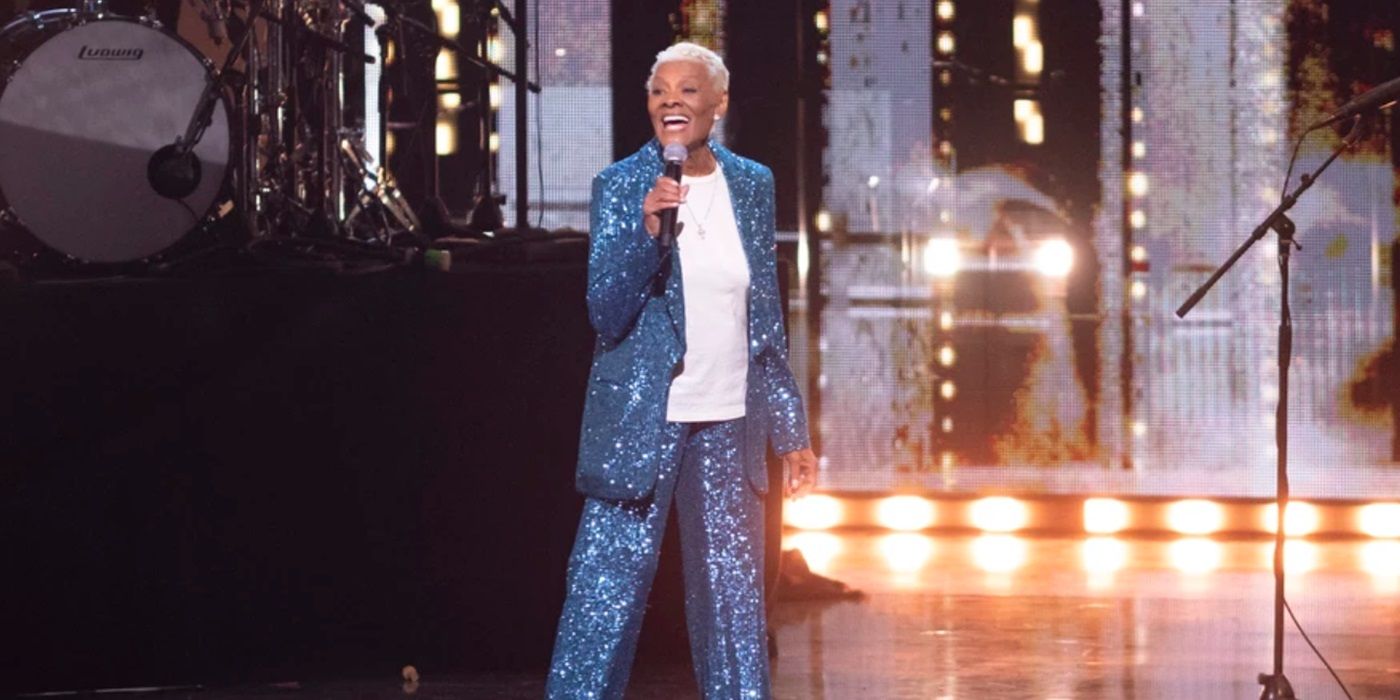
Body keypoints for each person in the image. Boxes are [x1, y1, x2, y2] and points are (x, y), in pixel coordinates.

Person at [546, 42, 818, 699]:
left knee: (734, 601)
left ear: (717, 105)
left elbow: (763, 320)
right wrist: (646, 232)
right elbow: (605, 313)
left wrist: (791, 428)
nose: (672, 100)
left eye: (689, 89)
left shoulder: (752, 184)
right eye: (660, 90)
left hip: (729, 420)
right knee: (603, 595)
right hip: (643, 417)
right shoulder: (620, 186)